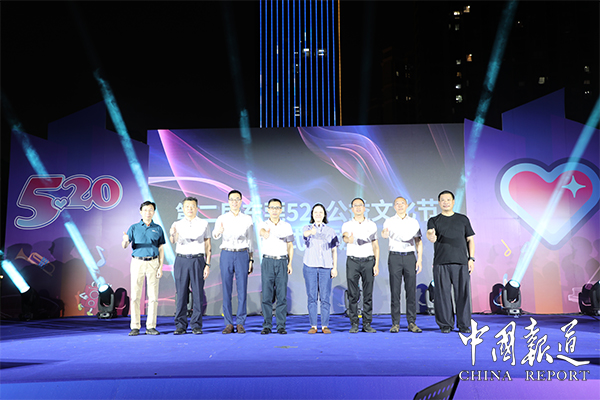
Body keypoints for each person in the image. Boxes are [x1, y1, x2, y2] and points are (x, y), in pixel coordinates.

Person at [426, 190, 475, 334]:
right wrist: (431, 235)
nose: (445, 202)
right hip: (441, 263)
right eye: (442, 200)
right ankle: (445, 324)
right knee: (442, 295)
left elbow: (470, 239)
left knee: (463, 295)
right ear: (439, 203)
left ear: (453, 202)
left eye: (448, 200)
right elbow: (430, 234)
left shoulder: (463, 219)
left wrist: (471, 258)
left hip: (461, 262)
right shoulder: (434, 220)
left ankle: (464, 324)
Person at [212, 190, 254, 334]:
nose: (234, 202)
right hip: (227, 253)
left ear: (241, 201)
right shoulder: (222, 218)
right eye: (232, 199)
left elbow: (250, 240)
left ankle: (240, 322)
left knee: (242, 289)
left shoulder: (247, 219)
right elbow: (215, 234)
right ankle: (228, 323)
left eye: (237, 199)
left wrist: (251, 258)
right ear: (228, 201)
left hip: (242, 254)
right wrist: (219, 231)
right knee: (226, 288)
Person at [122, 200, 165, 336]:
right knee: (135, 296)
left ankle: (151, 326)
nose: (148, 212)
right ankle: (135, 326)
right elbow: (125, 245)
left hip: (153, 262)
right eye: (145, 210)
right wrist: (125, 240)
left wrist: (160, 267)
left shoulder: (158, 228)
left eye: (150, 210)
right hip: (137, 262)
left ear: (154, 212)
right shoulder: (134, 227)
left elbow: (161, 248)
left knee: (153, 297)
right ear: (141, 212)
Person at [170, 196, 211, 335]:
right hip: (181, 260)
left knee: (198, 293)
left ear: (197, 208)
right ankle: (180, 325)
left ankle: (196, 325)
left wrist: (207, 264)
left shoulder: (204, 223)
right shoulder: (177, 223)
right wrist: (173, 234)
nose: (190, 209)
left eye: (192, 206)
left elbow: (208, 245)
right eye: (187, 206)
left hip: (198, 260)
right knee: (181, 293)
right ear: (182, 208)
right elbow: (173, 240)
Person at [382, 197, 423, 333]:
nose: (400, 206)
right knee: (395, 291)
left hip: (410, 256)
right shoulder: (389, 221)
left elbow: (418, 241)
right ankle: (395, 323)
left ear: (407, 206)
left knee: (411, 290)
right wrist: (384, 234)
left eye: (402, 203)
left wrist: (419, 259)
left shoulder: (413, 222)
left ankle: (412, 322)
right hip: (395, 256)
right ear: (394, 206)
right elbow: (384, 234)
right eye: (397, 204)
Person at [342, 197, 380, 333]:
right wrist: (348, 239)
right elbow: (345, 237)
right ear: (352, 209)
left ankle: (367, 323)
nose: (358, 207)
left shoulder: (371, 225)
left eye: (360, 205)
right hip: (353, 261)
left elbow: (376, 246)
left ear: (364, 208)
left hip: (368, 261)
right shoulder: (347, 225)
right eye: (355, 205)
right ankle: (354, 323)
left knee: (368, 294)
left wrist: (376, 264)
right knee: (353, 294)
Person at [258, 199, 294, 335]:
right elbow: (261, 231)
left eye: (277, 208)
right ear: (268, 209)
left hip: (282, 261)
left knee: (281, 295)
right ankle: (267, 325)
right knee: (267, 296)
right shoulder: (263, 224)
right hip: (268, 261)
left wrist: (290, 263)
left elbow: (290, 245)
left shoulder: (286, 226)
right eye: (272, 208)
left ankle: (281, 326)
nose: (274, 210)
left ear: (281, 210)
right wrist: (264, 233)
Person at [302, 203, 339, 334]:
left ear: (324, 215)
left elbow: (334, 251)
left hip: (326, 267)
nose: (318, 214)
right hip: (310, 266)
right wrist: (311, 232)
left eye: (320, 212)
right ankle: (313, 325)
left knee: (325, 297)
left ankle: (325, 325)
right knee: (312, 296)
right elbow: (305, 234)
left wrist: (334, 267)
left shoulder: (330, 231)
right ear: (312, 215)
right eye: (315, 212)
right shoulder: (307, 228)